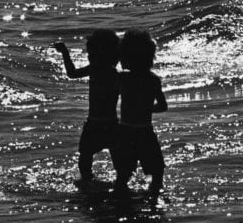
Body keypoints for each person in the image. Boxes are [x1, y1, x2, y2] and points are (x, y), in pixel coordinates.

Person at [52, 30, 120, 184]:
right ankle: (119, 184)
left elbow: (72, 73)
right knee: (117, 161)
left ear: (101, 54)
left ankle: (88, 184)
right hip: (111, 123)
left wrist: (64, 52)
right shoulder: (112, 73)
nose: (89, 57)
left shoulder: (98, 70)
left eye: (91, 54)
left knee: (85, 159)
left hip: (96, 123)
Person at [112, 29, 167, 196]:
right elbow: (163, 106)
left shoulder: (122, 78)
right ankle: (154, 201)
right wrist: (146, 108)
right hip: (145, 130)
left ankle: (120, 201)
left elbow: (109, 99)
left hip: (125, 131)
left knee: (123, 174)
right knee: (157, 173)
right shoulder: (153, 79)